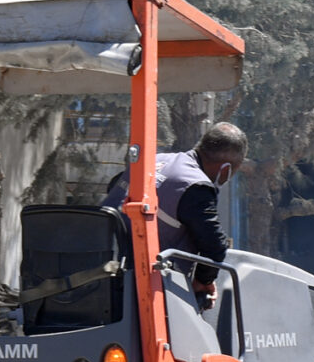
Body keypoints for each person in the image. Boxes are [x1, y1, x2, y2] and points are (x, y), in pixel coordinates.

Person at [103, 123, 246, 295]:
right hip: (143, 287)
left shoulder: (154, 161)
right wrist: (203, 282)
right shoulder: (196, 186)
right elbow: (214, 245)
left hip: (100, 272)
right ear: (226, 169)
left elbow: (114, 189)